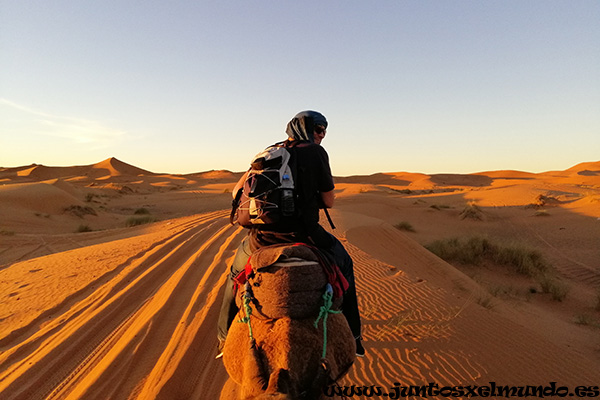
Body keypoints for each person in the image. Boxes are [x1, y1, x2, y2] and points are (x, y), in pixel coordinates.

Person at [216, 110, 364, 358]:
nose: (322, 135)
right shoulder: (316, 152)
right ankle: (355, 336)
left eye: (324, 130)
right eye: (318, 129)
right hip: (306, 235)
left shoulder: (268, 153)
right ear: (305, 128)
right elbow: (329, 201)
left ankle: (223, 338)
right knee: (345, 265)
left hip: (260, 239)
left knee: (234, 277)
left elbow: (235, 191)